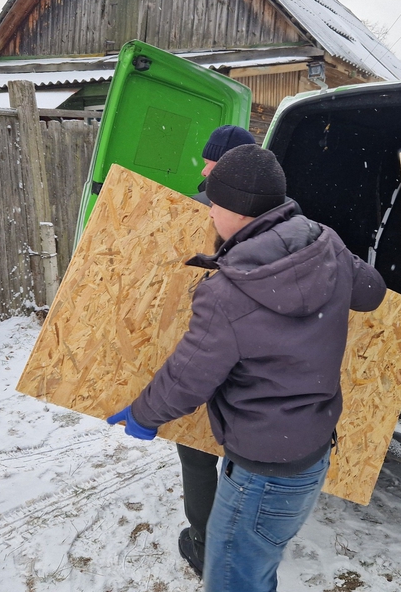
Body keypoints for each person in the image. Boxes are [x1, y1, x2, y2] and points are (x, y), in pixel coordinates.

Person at [107, 145, 386, 591]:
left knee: (234, 578)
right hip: (312, 452)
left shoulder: (229, 294)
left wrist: (143, 416)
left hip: (263, 473)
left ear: (236, 210)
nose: (210, 213)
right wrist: (332, 259)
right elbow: (372, 293)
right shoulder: (325, 242)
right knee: (256, 565)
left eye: (214, 204)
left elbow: (187, 378)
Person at [174, 124, 257, 576]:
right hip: (251, 353)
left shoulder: (205, 209)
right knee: (240, 446)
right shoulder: (275, 211)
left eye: (210, 162)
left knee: (197, 449)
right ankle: (235, 534)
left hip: (208, 345)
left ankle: (206, 543)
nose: (202, 168)